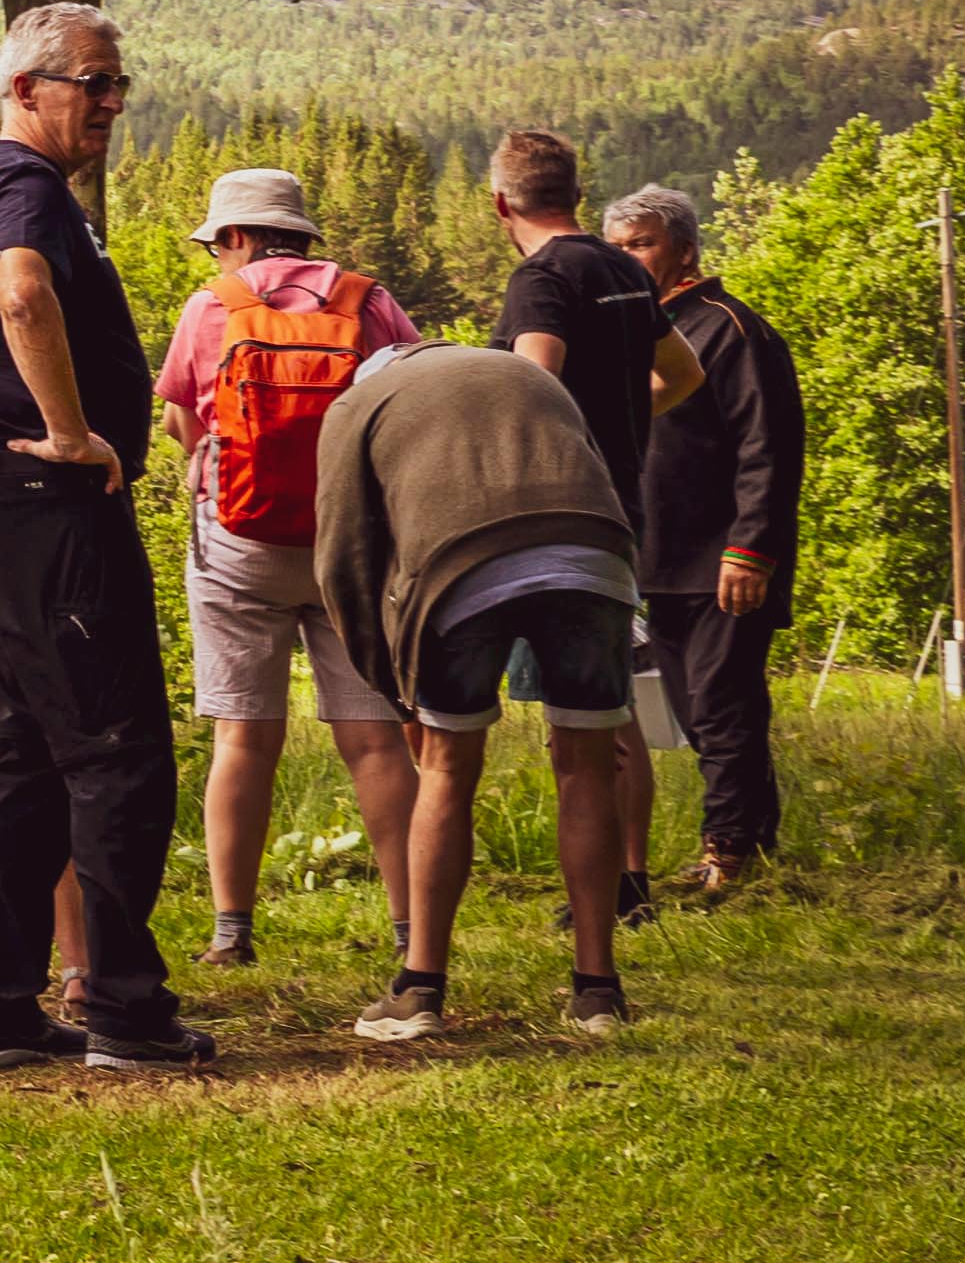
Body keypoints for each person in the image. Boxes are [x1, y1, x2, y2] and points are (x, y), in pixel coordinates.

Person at [0, 6, 206, 1073]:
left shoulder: (16, 186)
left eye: (116, 82)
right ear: (26, 88)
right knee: (119, 752)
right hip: (45, 501)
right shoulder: (19, 186)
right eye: (91, 83)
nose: (111, 102)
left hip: (14, 503)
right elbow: (20, 289)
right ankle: (128, 1011)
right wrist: (68, 429)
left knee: (37, 759)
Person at [315, 341, 652, 1039]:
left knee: (447, 766)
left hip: (458, 567)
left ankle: (420, 991)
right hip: (595, 550)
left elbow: (343, 556)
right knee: (587, 763)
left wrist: (390, 677)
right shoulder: (526, 375)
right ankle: (598, 993)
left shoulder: (358, 403)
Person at [152, 166, 421, 976]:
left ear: (233, 238)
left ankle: (232, 931)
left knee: (244, 734)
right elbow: (409, 405)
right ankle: (413, 930)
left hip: (240, 543)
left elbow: (178, 419)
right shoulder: (367, 303)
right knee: (374, 740)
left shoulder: (211, 308)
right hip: (352, 548)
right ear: (301, 234)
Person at [488, 127, 700, 934]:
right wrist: (618, 426)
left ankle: (597, 894)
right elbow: (683, 374)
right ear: (576, 193)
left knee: (573, 725)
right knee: (606, 708)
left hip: (554, 515)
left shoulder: (542, 279)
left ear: (503, 202)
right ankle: (627, 880)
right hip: (620, 509)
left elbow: (534, 384)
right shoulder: (620, 268)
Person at [611, 187, 799, 900]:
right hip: (659, 558)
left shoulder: (730, 329)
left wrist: (750, 548)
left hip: (724, 558)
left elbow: (768, 448)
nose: (628, 257)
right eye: (619, 247)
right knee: (698, 710)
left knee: (723, 706)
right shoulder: (641, 331)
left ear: (685, 250)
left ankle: (729, 851)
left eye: (642, 244)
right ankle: (754, 840)